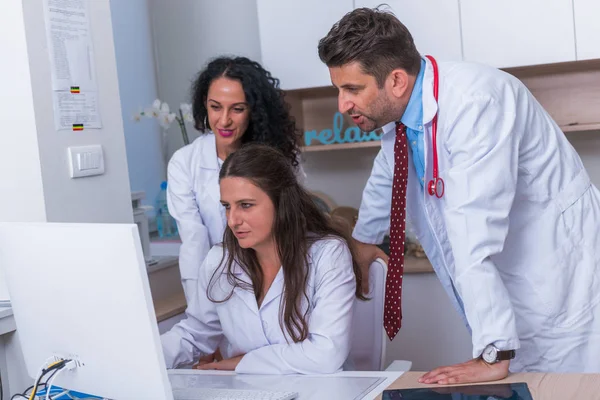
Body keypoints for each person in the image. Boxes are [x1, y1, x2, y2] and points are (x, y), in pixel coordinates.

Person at [318, 7, 600, 384]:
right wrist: (365, 237)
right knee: (528, 382)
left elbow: (472, 230)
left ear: (397, 80)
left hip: (562, 275)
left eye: (352, 89)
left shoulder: (477, 103)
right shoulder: (402, 118)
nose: (342, 104)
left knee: (571, 386)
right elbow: (388, 172)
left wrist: (494, 350)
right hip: (515, 275)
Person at [161, 144, 364, 373]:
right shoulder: (219, 260)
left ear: (281, 202)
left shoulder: (328, 254)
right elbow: (195, 334)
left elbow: (326, 354)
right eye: (227, 207)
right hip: (249, 392)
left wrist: (241, 363)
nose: (232, 220)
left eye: (246, 205)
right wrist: (141, 361)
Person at [167, 56, 304, 304]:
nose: (224, 120)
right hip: (216, 285)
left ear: (254, 111)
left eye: (237, 108)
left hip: (276, 282)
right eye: (215, 107)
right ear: (203, 106)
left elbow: (290, 227)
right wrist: (200, 310)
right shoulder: (185, 163)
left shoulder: (275, 158)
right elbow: (194, 242)